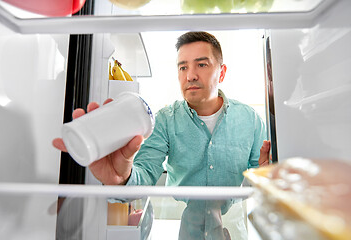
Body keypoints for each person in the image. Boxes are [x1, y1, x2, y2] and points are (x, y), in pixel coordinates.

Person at [53, 31, 271, 239]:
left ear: (221, 72)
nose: (191, 75)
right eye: (183, 67)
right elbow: (144, 174)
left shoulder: (250, 119)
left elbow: (258, 182)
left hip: (233, 225)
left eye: (201, 65)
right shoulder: (165, 119)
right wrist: (120, 180)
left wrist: (267, 178)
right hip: (180, 222)